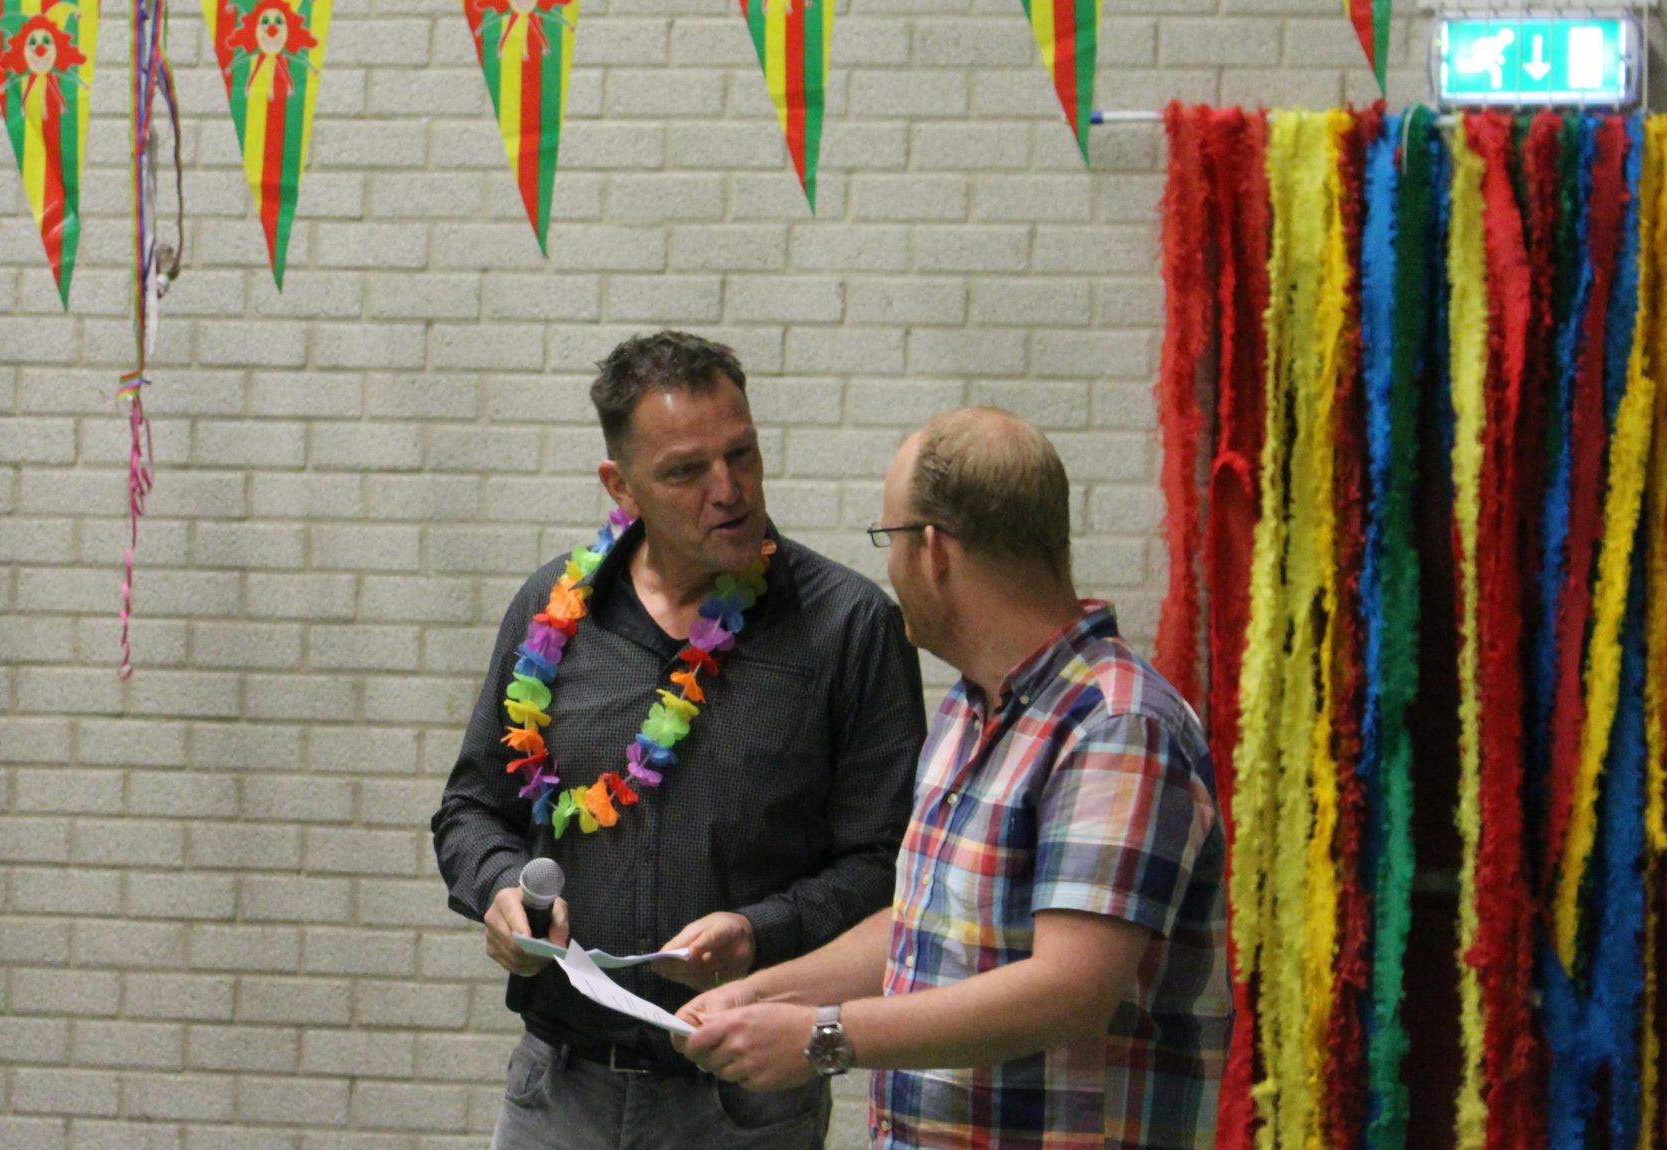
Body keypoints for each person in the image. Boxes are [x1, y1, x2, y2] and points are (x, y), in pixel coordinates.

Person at [674, 407, 1231, 1150]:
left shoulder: (1118, 724)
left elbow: (1069, 991)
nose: (891, 569)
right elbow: (924, 927)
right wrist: (760, 993)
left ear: (933, 550)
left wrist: (824, 1036)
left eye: (891, 540)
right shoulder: (971, 709)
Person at [431, 331, 927, 1150]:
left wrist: (760, 930)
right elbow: (471, 808)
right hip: (558, 1089)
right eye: (686, 471)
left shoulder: (848, 628)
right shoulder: (553, 613)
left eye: (743, 455)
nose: (728, 491)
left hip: (746, 1103)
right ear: (620, 486)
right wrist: (498, 889)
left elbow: (889, 865)